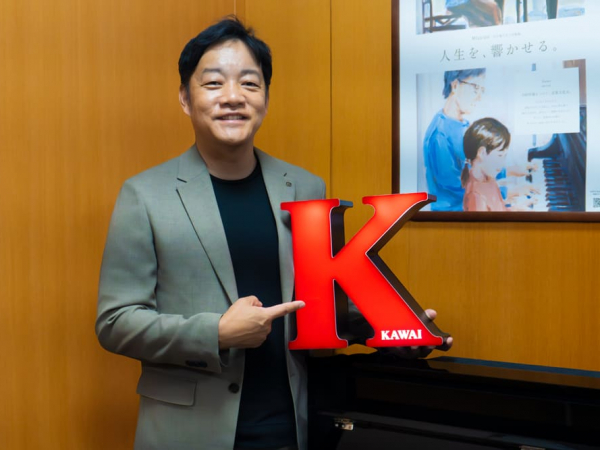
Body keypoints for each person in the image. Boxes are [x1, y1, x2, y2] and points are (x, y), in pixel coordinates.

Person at [96, 16, 449, 450]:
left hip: (289, 428)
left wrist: (393, 330)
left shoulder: (304, 187)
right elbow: (115, 323)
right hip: (189, 432)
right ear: (186, 98)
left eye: (249, 83)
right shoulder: (144, 194)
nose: (233, 97)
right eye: (213, 84)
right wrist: (216, 333)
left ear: (265, 97)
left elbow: (318, 306)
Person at [423, 68, 486, 211]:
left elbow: (482, 165)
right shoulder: (439, 135)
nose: (479, 97)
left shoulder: (465, 126)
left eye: (482, 90)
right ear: (455, 85)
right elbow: (458, 187)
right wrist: (503, 193)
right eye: (476, 88)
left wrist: (509, 172)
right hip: (453, 215)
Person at [461, 117, 536, 211]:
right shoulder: (476, 196)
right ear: (482, 153)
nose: (502, 163)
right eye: (500, 156)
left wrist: (516, 209)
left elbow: (499, 210)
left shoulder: (488, 179)